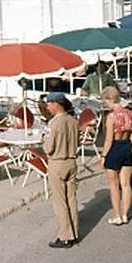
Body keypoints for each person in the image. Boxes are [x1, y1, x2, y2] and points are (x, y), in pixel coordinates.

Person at [42, 92, 79, 248]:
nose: (48, 108)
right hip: (71, 161)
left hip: (57, 162)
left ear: (56, 104)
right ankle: (75, 232)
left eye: (49, 104)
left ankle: (65, 235)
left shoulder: (53, 124)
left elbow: (49, 148)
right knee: (71, 199)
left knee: (60, 202)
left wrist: (43, 138)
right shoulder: (73, 121)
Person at [99, 86, 132, 225]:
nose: (105, 104)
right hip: (126, 147)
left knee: (114, 185)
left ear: (109, 99)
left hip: (114, 148)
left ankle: (117, 216)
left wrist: (103, 156)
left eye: (105, 101)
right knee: (126, 184)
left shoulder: (111, 117)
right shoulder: (129, 114)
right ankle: (125, 215)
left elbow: (109, 140)